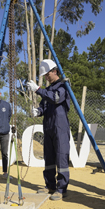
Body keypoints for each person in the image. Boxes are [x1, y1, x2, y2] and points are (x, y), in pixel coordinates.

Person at [27, 59, 70, 201]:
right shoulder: (49, 89)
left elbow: (56, 99)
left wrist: (38, 90)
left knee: (61, 157)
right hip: (49, 127)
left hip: (60, 127)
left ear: (54, 71)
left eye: (47, 74)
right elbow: (44, 106)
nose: (46, 77)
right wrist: (38, 112)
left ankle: (61, 188)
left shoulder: (63, 86)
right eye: (44, 75)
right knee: (49, 157)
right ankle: (50, 185)